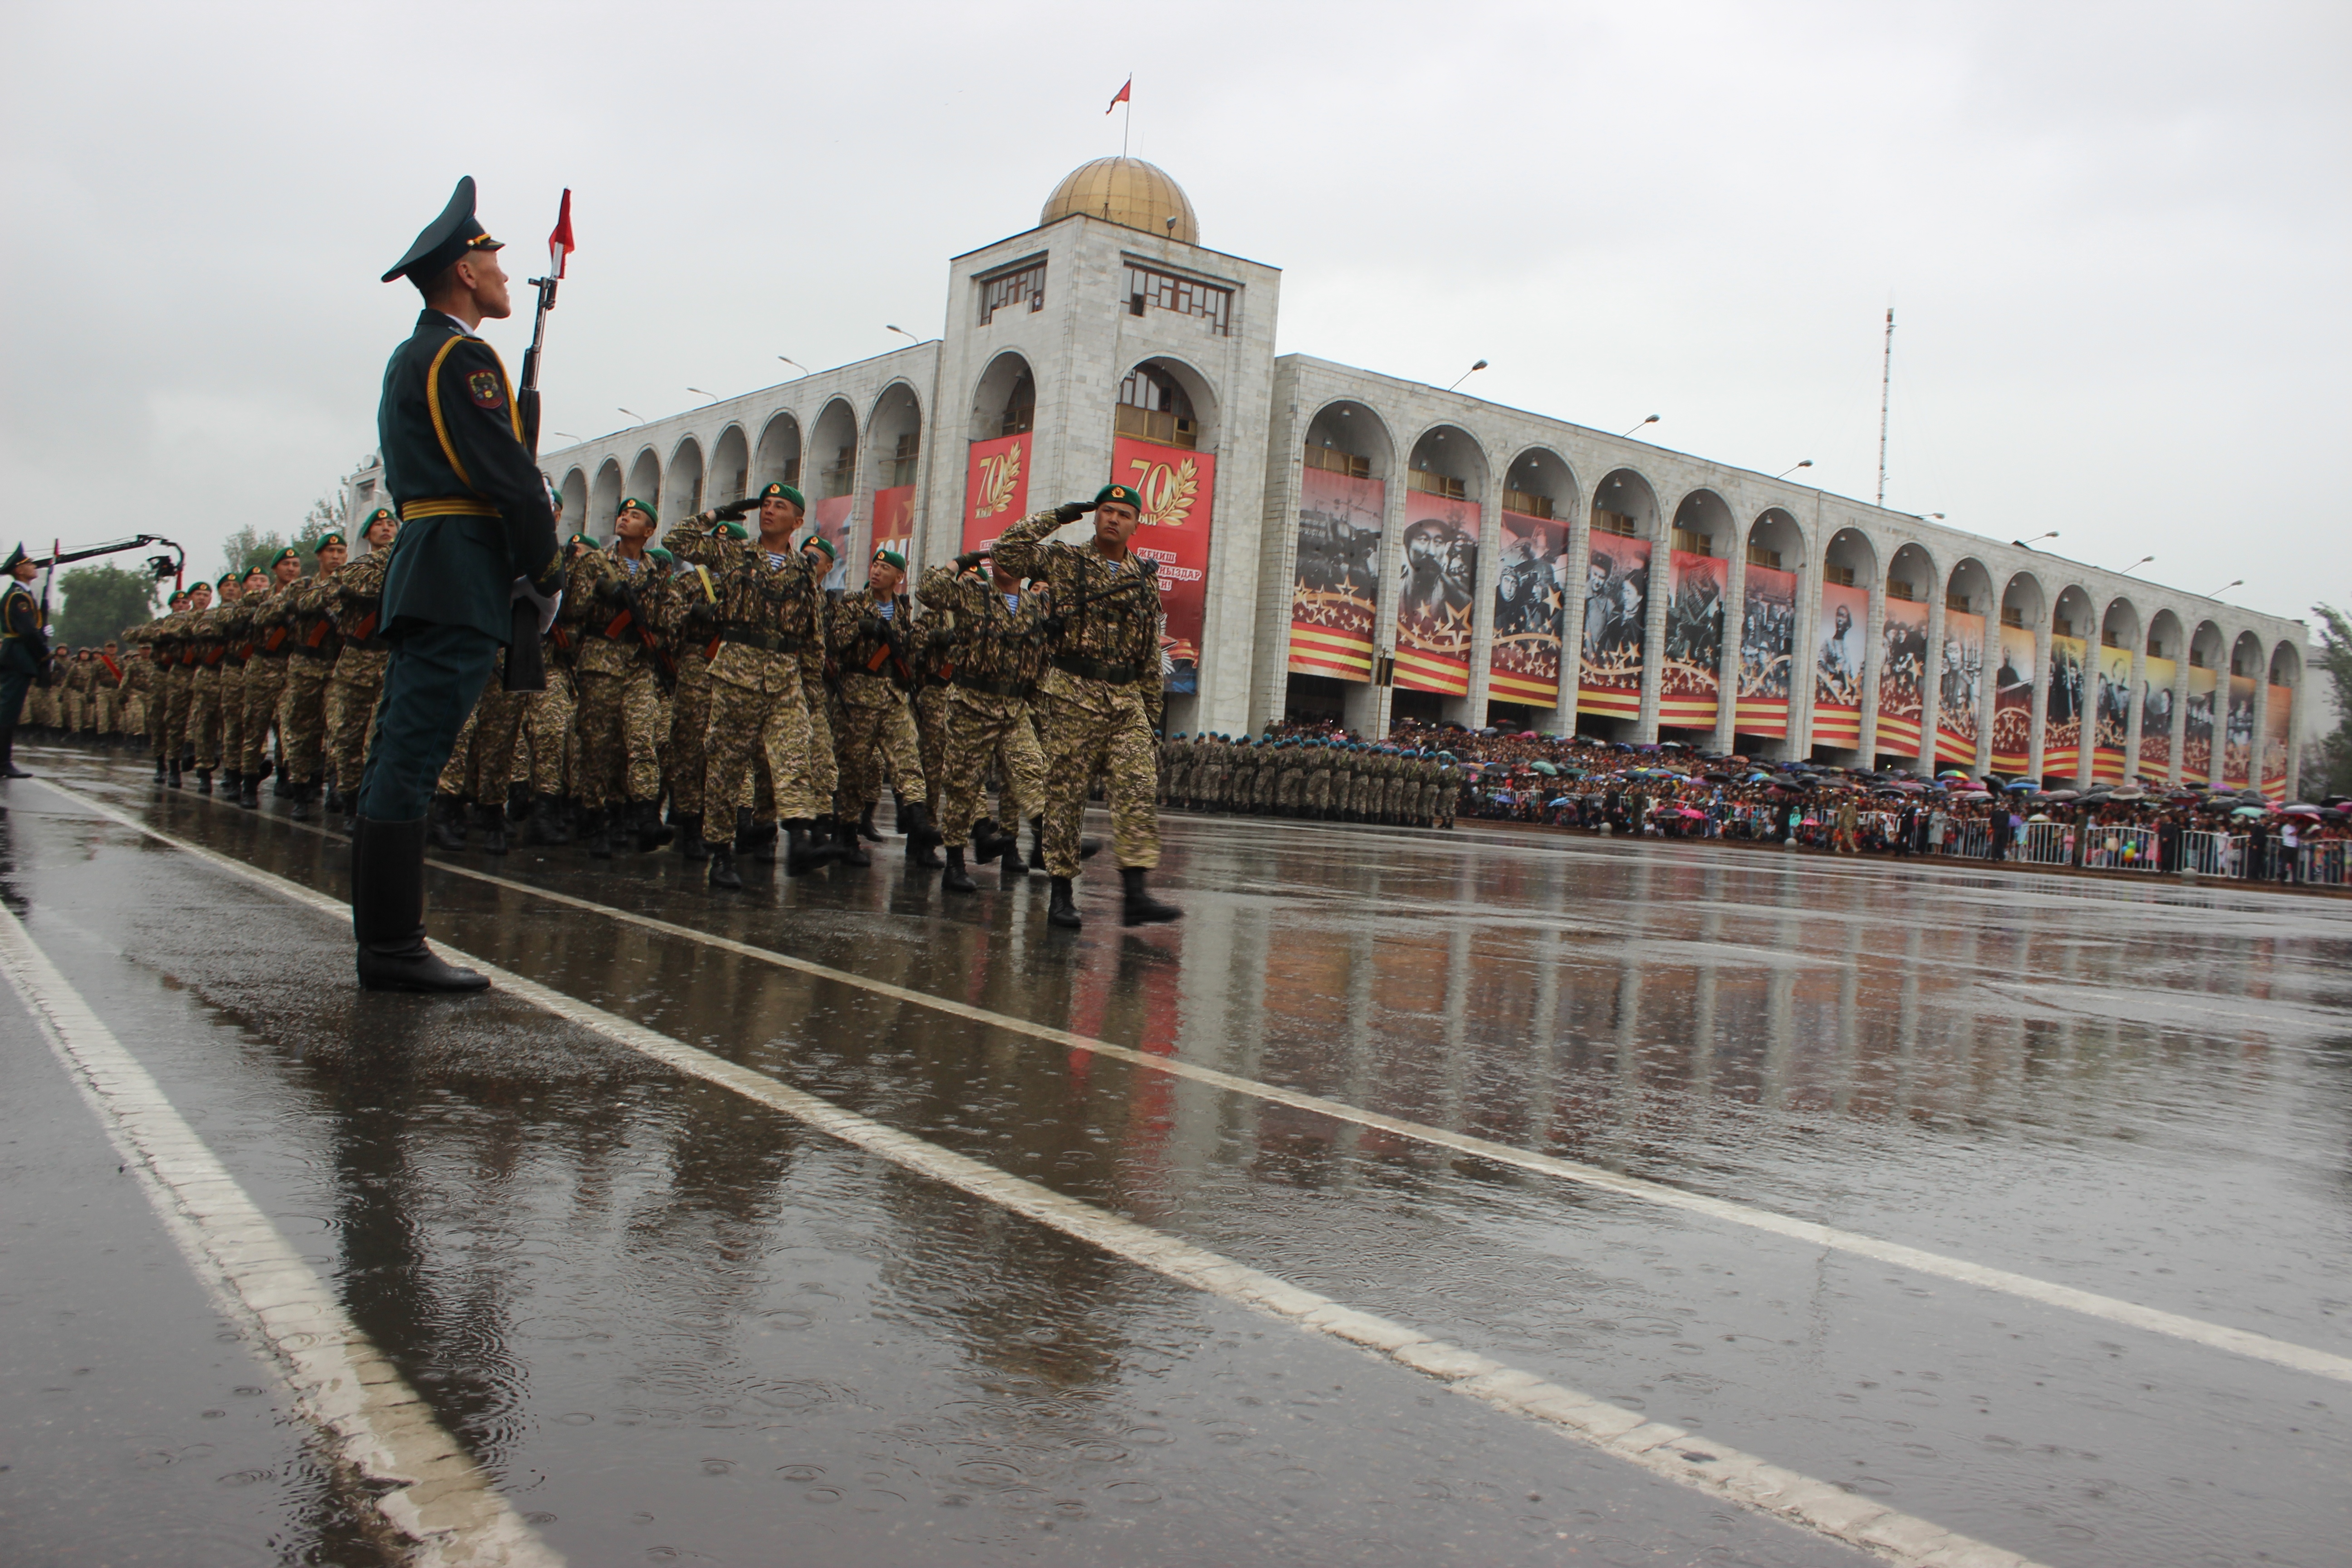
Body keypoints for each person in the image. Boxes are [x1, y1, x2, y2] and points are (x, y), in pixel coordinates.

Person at [360, 176, 562, 992]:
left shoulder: (418, 355)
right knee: (411, 760)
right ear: (465, 274)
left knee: (400, 756)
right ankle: (392, 948)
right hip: (457, 575)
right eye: (492, 259)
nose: (505, 275)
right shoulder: (460, 355)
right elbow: (509, 480)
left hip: (435, 566)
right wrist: (543, 569)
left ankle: (388, 942)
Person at [990, 486, 1181, 928]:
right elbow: (1008, 551)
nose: (1114, 519)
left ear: (1136, 524)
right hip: (1073, 691)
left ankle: (1136, 893)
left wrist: (1151, 713)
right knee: (1066, 796)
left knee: (1136, 787)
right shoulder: (1065, 560)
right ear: (1096, 517)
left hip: (1126, 698)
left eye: (1124, 514)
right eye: (1107, 511)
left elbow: (1149, 650)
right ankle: (1061, 892)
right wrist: (1058, 515)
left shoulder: (1143, 576)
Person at [0, 544, 49, 778]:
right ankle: (3, 762)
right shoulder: (18, 596)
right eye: (29, 564)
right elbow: (28, 632)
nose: (33, 566)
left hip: (19, 654)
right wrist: (44, 652)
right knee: (8, 710)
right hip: (18, 655)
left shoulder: (24, 595)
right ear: (19, 570)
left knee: (10, 709)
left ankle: (3, 761)